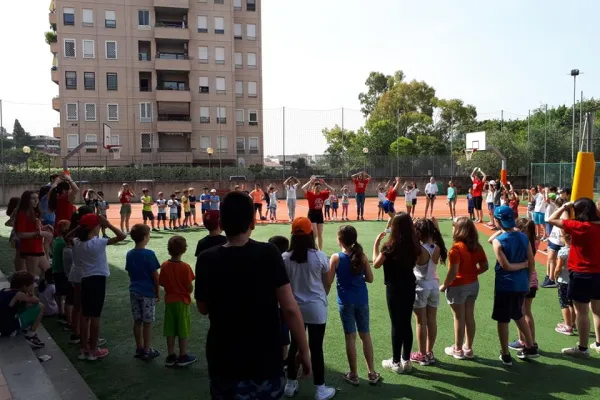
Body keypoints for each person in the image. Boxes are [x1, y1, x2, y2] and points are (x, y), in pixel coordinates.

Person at [195, 192, 310, 399]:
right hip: (265, 359)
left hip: (223, 359)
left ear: (221, 223)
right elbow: (290, 309)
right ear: (253, 222)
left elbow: (202, 308)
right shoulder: (269, 253)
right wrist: (304, 351)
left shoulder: (206, 259)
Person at [282, 217, 336, 399]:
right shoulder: (319, 256)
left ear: (292, 234)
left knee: (295, 345)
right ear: (311, 234)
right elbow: (327, 283)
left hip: (294, 309)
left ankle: (290, 384)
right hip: (316, 308)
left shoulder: (285, 258)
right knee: (316, 347)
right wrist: (320, 297)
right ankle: (320, 388)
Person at [373, 213, 429, 374]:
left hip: (394, 288)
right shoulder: (414, 246)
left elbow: (376, 264)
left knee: (396, 324)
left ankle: (396, 362)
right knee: (406, 322)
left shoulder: (389, 247)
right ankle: (406, 360)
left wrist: (376, 244)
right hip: (409, 286)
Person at [326, 226, 381, 386]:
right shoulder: (361, 256)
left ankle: (354, 374)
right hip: (361, 300)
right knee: (365, 335)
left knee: (350, 337)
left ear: (340, 240)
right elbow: (370, 278)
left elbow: (328, 281)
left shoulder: (336, 258)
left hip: (345, 302)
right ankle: (372, 372)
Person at [547, 198, 600, 358]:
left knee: (581, 312)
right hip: (598, 273)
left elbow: (550, 219)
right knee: (597, 311)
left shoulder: (578, 226)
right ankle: (599, 343)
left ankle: (582, 348)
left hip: (581, 274)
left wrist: (565, 206)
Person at [74, 214, 126, 361]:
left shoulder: (77, 242)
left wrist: (80, 226)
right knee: (95, 316)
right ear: (95, 227)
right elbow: (122, 236)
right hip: (97, 281)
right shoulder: (98, 243)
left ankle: (84, 349)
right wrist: (108, 224)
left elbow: (68, 237)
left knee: (85, 315)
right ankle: (93, 350)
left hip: (85, 280)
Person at [491, 206, 539, 365]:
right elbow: (531, 262)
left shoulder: (498, 241)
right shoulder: (524, 238)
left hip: (505, 285)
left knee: (503, 319)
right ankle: (530, 346)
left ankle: (505, 354)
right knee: (518, 314)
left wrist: (522, 265)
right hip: (521, 284)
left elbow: (506, 266)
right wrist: (527, 278)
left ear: (498, 221)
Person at [439, 217, 488, 360]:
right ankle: (468, 348)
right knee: (469, 316)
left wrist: (444, 285)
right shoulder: (477, 246)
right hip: (473, 285)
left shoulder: (456, 249)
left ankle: (458, 349)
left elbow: (453, 271)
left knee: (458, 318)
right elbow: (484, 266)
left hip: (458, 286)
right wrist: (473, 273)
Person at [411, 218, 447, 366]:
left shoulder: (420, 249)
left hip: (421, 286)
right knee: (432, 319)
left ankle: (421, 353)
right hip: (433, 285)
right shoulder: (437, 247)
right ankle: (429, 351)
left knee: (421, 321)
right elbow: (436, 238)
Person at [159, 236, 197, 367]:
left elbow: (162, 282)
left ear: (169, 249)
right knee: (183, 329)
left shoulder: (164, 265)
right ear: (184, 250)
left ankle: (170, 356)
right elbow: (189, 286)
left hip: (169, 301)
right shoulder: (185, 267)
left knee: (170, 329)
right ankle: (183, 355)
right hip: (182, 301)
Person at [126, 224, 161, 360]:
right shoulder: (149, 254)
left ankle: (139, 347)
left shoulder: (130, 254)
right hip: (147, 292)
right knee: (147, 322)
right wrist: (157, 291)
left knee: (137, 320)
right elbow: (155, 275)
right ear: (146, 237)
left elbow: (129, 272)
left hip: (134, 290)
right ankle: (147, 349)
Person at [507, 219, 539, 351]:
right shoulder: (534, 241)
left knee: (520, 313)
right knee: (527, 312)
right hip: (533, 280)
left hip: (522, 281)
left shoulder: (520, 243)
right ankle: (532, 340)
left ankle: (523, 341)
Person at [65, 206, 95, 345]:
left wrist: (78, 226)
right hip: (85, 272)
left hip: (76, 272)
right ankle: (85, 336)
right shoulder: (84, 235)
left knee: (78, 305)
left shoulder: (77, 233)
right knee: (85, 307)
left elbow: (67, 237)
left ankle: (76, 332)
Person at [0, 271, 45, 348]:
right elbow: (36, 301)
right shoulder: (19, 294)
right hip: (9, 328)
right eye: (32, 284)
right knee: (40, 306)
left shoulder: (4, 290)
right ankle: (31, 335)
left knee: (24, 306)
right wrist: (30, 294)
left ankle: (18, 328)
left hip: (1, 327)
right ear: (24, 286)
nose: (33, 286)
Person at [14, 190, 52, 278]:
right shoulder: (22, 214)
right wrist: (39, 233)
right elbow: (20, 234)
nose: (36, 201)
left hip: (38, 248)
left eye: (37, 198)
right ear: (26, 200)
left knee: (48, 273)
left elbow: (32, 229)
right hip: (30, 249)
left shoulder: (34, 212)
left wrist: (43, 228)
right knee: (32, 277)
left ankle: (43, 286)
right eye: (33, 198)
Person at [268, 235, 292, 368]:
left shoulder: (266, 263)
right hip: (283, 305)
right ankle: (283, 360)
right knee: (284, 333)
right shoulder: (287, 262)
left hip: (270, 304)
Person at [302, 177, 335, 251]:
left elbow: (333, 190)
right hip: (312, 213)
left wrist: (325, 184)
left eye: (319, 187)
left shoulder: (323, 194)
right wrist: (310, 181)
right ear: (314, 188)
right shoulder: (310, 194)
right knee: (315, 234)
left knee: (320, 234)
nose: (318, 188)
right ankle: (311, 248)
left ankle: (320, 251)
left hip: (319, 214)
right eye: (316, 187)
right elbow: (303, 188)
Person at [553, 234, 576, 336]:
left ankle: (567, 326)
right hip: (573, 280)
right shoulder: (575, 250)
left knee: (564, 303)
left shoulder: (563, 252)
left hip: (563, 281)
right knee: (572, 303)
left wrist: (555, 275)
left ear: (565, 238)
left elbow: (558, 267)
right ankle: (572, 323)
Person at [542, 197, 565, 289]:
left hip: (558, 239)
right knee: (549, 258)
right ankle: (548, 276)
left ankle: (552, 278)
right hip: (553, 237)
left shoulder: (564, 214)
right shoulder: (557, 211)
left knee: (552, 259)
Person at [52, 219, 71, 324]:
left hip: (56, 270)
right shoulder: (63, 243)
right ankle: (63, 313)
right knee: (64, 293)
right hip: (61, 271)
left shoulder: (57, 240)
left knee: (60, 292)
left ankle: (61, 311)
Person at [6, 197, 25, 272]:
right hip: (18, 236)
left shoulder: (14, 211)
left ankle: (18, 271)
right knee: (20, 255)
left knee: (18, 255)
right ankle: (20, 271)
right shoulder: (16, 211)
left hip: (14, 235)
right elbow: (11, 223)